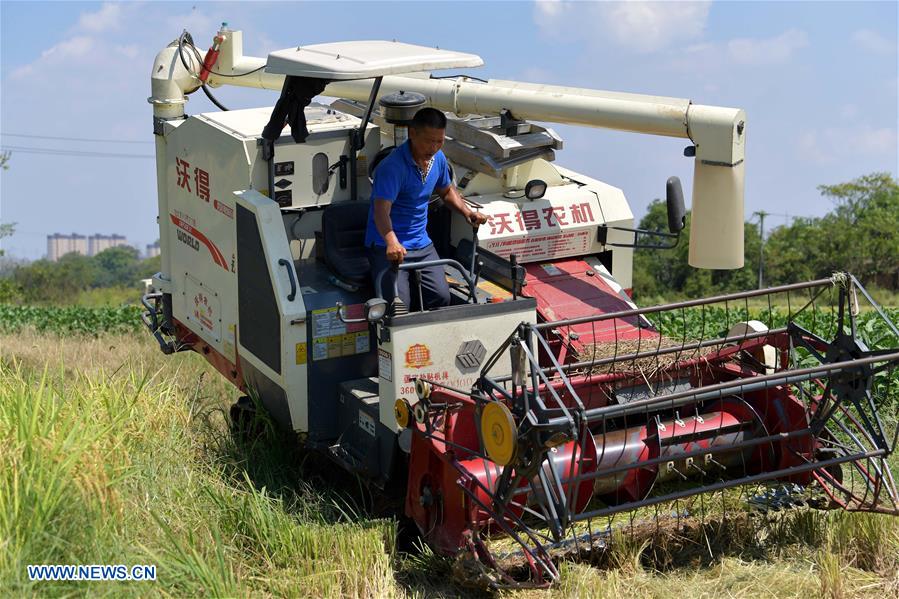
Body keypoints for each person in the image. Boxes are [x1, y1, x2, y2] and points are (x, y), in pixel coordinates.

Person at [364, 107, 488, 310]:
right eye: (429, 141)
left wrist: (467, 212)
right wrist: (392, 242)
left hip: (421, 243)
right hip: (388, 245)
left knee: (441, 297)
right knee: (398, 306)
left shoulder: (437, 159)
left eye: (439, 141)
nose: (434, 147)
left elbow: (446, 191)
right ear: (412, 134)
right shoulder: (392, 168)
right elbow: (381, 211)